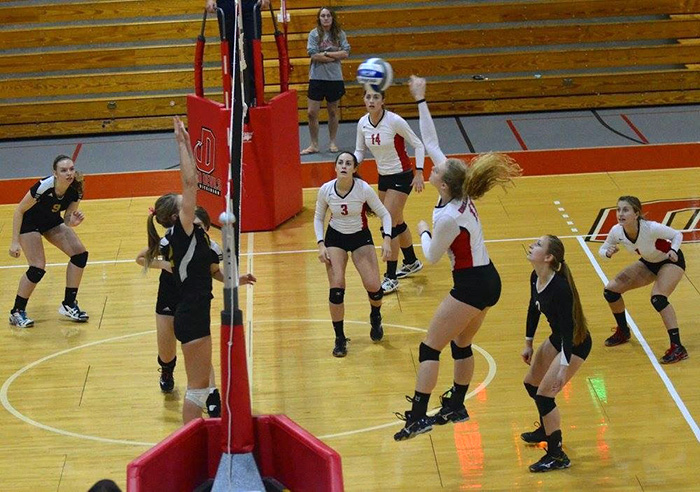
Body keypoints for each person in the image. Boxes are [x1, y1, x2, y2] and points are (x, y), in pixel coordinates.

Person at [394, 76, 521, 441]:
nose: (430, 170)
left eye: (433, 172)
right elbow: (431, 141)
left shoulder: (447, 216)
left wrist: (421, 229)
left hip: (471, 284)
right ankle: (457, 405)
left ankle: (418, 415)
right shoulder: (456, 187)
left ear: (444, 185)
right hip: (488, 278)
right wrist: (421, 98)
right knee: (461, 344)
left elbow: (432, 257)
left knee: (429, 346)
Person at [143, 116, 222, 424]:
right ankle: (190, 441)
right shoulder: (181, 232)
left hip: (193, 308)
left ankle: (193, 438)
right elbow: (191, 183)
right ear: (178, 216)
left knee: (199, 388)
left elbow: (192, 184)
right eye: (183, 204)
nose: (188, 202)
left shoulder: (194, 235)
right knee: (195, 389)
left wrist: (188, 143)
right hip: (188, 310)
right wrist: (180, 143)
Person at [136, 206, 256, 404]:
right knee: (166, 353)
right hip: (169, 298)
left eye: (202, 227)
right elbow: (140, 258)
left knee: (200, 350)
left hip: (194, 302)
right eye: (195, 226)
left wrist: (236, 279)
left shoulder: (210, 247)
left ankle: (212, 394)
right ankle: (167, 370)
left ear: (207, 228)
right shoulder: (171, 241)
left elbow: (215, 272)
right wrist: (165, 265)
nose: (198, 230)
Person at [520, 235, 592, 472]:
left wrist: (563, 367)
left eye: (538, 245)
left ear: (549, 257)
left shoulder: (560, 288)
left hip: (574, 343)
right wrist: (528, 342)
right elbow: (534, 308)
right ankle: (546, 427)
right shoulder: (536, 277)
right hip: (558, 337)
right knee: (531, 383)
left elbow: (570, 332)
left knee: (545, 396)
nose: (532, 245)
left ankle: (557, 455)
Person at [314, 152, 393, 357]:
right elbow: (318, 217)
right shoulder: (326, 190)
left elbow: (385, 214)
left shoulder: (363, 189)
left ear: (354, 169)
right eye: (340, 163)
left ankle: (375, 316)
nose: (344, 166)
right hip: (335, 238)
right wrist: (321, 244)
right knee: (336, 288)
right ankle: (339, 338)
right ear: (335, 167)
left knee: (374, 287)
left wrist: (386, 239)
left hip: (360, 237)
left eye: (348, 163)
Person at [598, 195, 688, 364]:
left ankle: (678, 347)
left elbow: (677, 235)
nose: (620, 213)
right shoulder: (617, 231)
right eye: (618, 209)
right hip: (649, 262)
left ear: (636, 213)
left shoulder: (651, 228)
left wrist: (674, 250)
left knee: (658, 299)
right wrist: (607, 253)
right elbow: (602, 249)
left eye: (625, 210)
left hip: (670, 261)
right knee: (611, 290)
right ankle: (623, 331)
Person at [354, 88, 425, 294]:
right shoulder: (362, 123)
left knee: (389, 224)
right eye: (368, 97)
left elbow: (418, 144)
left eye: (376, 97)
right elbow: (360, 150)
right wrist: (353, 164)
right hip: (383, 176)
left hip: (402, 176)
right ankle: (411, 261)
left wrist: (419, 172)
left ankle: (391, 277)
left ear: (383, 100)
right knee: (397, 220)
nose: (371, 100)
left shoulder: (394, 121)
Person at [8, 155, 89, 328]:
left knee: (80, 255)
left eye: (71, 169)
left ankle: (68, 304)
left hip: (51, 221)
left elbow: (67, 218)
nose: (69, 173)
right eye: (64, 170)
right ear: (55, 173)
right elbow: (19, 211)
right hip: (29, 222)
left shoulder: (76, 189)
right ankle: (16, 311)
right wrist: (14, 241)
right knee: (37, 267)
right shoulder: (43, 186)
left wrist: (72, 223)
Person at [301, 7, 350, 155]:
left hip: (334, 78)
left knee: (333, 111)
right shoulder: (314, 34)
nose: (326, 18)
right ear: (319, 18)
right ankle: (314, 144)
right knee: (311, 112)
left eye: (328, 15)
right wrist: (335, 55)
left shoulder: (339, 34)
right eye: (323, 16)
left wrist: (326, 53)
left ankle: (332, 142)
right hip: (317, 78)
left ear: (332, 18)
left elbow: (346, 53)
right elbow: (314, 55)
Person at [206, 0, 270, 108]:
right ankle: (237, 99)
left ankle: (255, 99)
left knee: (253, 53)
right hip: (227, 5)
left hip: (249, 5)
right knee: (230, 54)